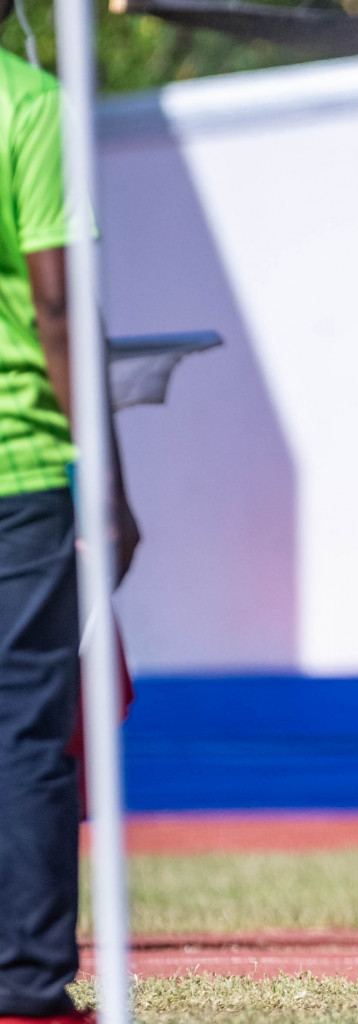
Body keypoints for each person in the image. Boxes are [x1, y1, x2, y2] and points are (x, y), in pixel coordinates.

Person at [0, 20, 139, 1024]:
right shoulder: (30, 105)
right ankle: (25, 987)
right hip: (19, 461)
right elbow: (57, 302)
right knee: (23, 728)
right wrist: (109, 477)